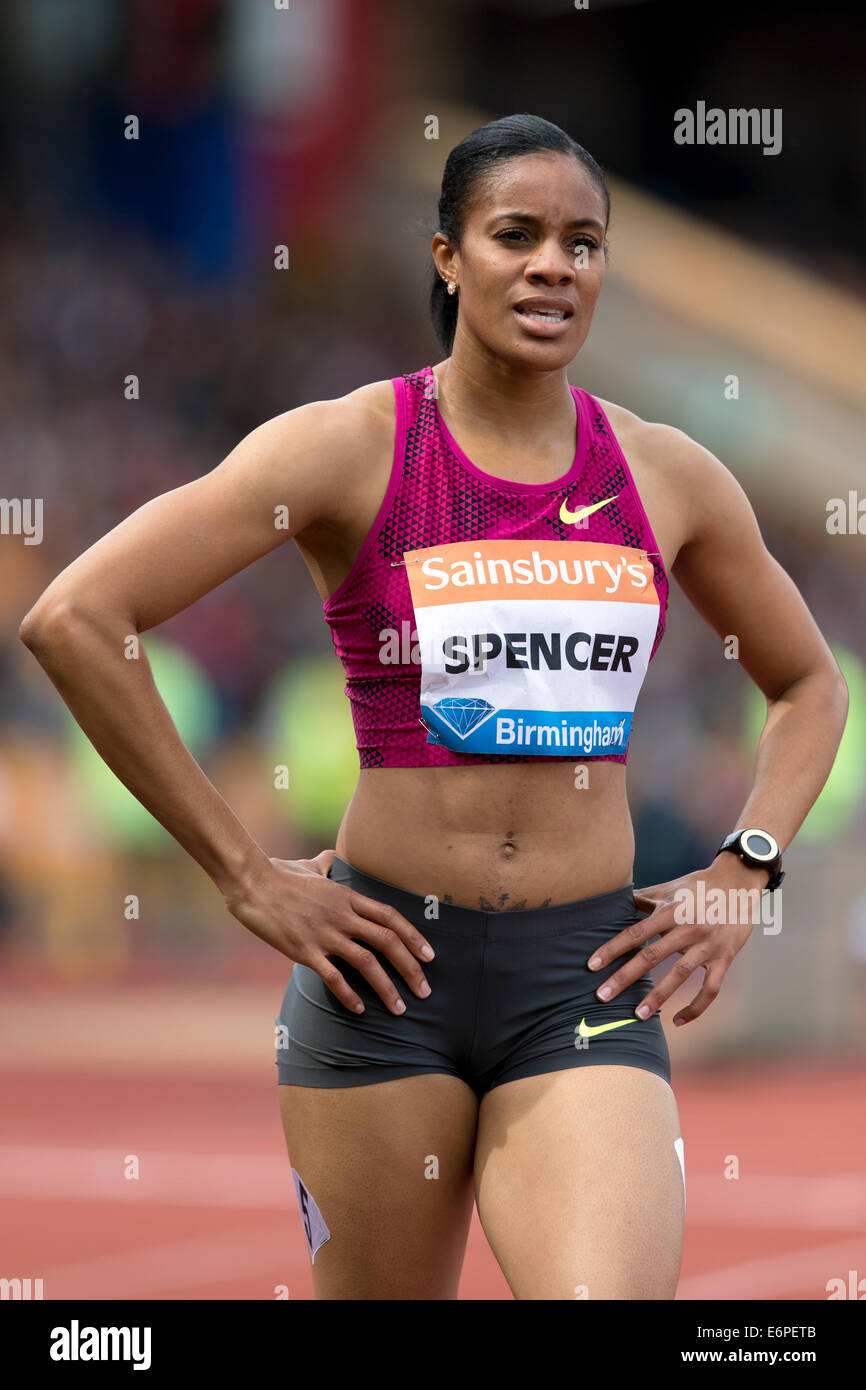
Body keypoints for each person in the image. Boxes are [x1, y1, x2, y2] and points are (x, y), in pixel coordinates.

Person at [20, 113, 848, 1301]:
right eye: (515, 234)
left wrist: (746, 864)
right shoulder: (349, 448)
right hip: (382, 977)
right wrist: (243, 872)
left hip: (583, 978)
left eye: (582, 242)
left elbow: (807, 682)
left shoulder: (665, 474)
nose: (552, 265)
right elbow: (79, 618)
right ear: (447, 257)